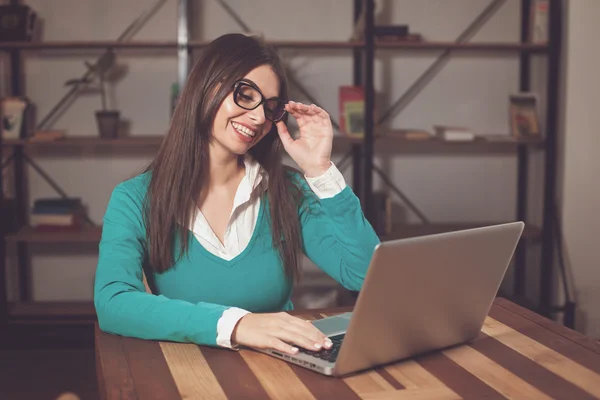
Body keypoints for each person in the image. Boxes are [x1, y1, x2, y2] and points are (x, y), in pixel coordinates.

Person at [94, 33, 380, 356]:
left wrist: (321, 171)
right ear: (207, 87)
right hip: (189, 374)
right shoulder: (134, 199)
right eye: (245, 95)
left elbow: (364, 274)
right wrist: (239, 325)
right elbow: (113, 302)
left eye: (270, 108)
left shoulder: (289, 191)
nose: (259, 118)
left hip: (282, 375)